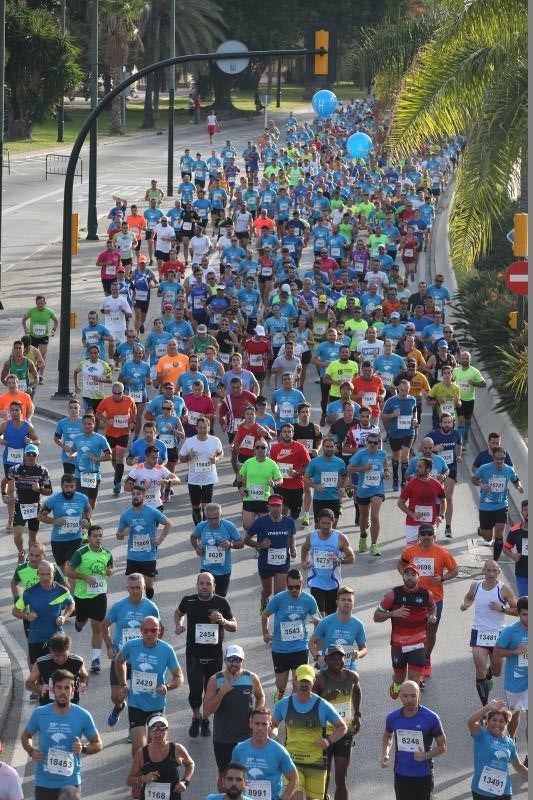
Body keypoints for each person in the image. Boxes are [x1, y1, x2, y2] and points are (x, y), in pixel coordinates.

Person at [21, 668, 102, 800]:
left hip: (70, 783)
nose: (63, 692)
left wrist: (84, 748)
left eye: (67, 688)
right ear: (53, 689)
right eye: (59, 687)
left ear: (73, 690)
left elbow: (98, 744)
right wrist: (31, 751)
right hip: (44, 782)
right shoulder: (40, 713)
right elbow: (25, 736)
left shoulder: (82, 715)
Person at [174, 572, 237, 739]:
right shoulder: (189, 601)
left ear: (214, 586)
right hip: (194, 655)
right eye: (201, 583)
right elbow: (178, 613)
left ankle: (206, 719)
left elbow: (234, 626)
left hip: (214, 656)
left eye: (208, 584)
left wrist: (223, 621)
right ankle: (196, 716)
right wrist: (179, 625)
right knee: (195, 692)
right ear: (197, 585)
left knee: (210, 692)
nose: (204, 586)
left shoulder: (221, 603)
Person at [271, 664, 347, 800]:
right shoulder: (284, 704)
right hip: (292, 762)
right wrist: (274, 736)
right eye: (301, 681)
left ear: (314, 681)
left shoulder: (323, 705)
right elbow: (273, 725)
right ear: (295, 680)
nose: (304, 685)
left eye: (307, 681)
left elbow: (342, 727)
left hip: (316, 764)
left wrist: (328, 741)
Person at [114, 615, 184, 757]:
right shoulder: (132, 645)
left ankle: (152, 774)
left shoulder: (167, 650)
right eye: (146, 630)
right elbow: (119, 661)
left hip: (156, 705)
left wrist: (167, 686)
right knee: (139, 747)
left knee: (154, 747)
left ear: (159, 631)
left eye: (153, 630)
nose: (149, 633)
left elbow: (179, 677)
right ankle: (140, 775)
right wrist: (123, 684)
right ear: (141, 630)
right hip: (136, 703)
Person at [397, 523, 458, 676]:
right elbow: (400, 564)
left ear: (434, 537)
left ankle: (426, 657)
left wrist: (442, 578)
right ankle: (416, 659)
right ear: (418, 536)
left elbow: (455, 570)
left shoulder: (442, 553)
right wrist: (406, 578)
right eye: (422, 534)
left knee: (431, 631)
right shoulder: (410, 551)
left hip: (435, 599)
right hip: (413, 597)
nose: (426, 536)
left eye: (429, 534)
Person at [101, 573, 161, 729]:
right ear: (127, 589)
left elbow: (159, 630)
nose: (135, 591)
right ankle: (119, 707)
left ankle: (135, 728)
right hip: (120, 658)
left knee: (138, 697)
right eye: (132, 588)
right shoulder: (119, 607)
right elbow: (104, 625)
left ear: (144, 587)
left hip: (140, 659)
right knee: (116, 696)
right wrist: (109, 646)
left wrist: (153, 648)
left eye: (139, 588)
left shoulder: (151, 607)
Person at [203, 645, 265, 788]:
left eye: (238, 659)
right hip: (223, 738)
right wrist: (222, 693)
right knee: (224, 778)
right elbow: (206, 712)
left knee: (245, 776)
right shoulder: (215, 680)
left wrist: (256, 713)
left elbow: (261, 697)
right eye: (231, 659)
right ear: (225, 660)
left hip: (246, 737)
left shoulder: (251, 678)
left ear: (243, 661)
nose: (234, 663)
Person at [374, 564, 437, 697]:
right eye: (407, 574)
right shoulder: (392, 595)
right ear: (402, 576)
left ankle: (413, 711)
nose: (410, 577)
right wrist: (392, 614)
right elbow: (376, 617)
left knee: (414, 682)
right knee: (399, 677)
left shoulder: (427, 595)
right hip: (398, 644)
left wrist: (432, 616)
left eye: (413, 575)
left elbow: (433, 607)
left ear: (418, 578)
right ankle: (396, 685)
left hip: (418, 643)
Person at [460, 559, 517, 705]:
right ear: (483, 571)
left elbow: (517, 610)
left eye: (494, 570)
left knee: (497, 671)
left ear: (499, 572)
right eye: (488, 570)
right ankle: (485, 707)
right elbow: (468, 597)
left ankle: (489, 675)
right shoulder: (476, 585)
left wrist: (502, 609)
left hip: (498, 634)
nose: (491, 573)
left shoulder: (503, 589)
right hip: (479, 631)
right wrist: (466, 604)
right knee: (480, 669)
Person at [381, 680, 447, 800]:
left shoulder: (431, 718)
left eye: (413, 695)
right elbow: (387, 735)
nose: (409, 700)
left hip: (423, 774)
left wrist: (426, 755)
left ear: (419, 695)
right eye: (405, 696)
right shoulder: (392, 717)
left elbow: (442, 746)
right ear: (400, 696)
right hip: (401, 773)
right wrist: (385, 753)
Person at [262, 568, 320, 703]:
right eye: (290, 587)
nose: (294, 590)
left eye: (297, 587)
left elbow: (318, 619)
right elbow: (265, 614)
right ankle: (280, 698)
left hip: (299, 647)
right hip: (280, 649)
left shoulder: (309, 600)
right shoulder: (279, 598)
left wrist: (317, 624)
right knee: (281, 685)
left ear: (302, 583)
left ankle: (292, 710)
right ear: (286, 585)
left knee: (297, 684)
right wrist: (265, 632)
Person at [313, 645, 361, 800]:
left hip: (344, 733)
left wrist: (357, 715)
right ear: (326, 660)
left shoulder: (351, 676)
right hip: (325, 734)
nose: (336, 660)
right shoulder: (319, 679)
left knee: (341, 779)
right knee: (324, 777)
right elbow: (311, 705)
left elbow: (357, 691)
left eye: (339, 657)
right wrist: (327, 698)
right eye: (332, 657)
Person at [66, 524, 115, 674]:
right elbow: (68, 571)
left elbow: (112, 567)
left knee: (98, 627)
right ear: (89, 537)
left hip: (100, 595)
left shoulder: (107, 553)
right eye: (95, 536)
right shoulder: (81, 553)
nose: (98, 539)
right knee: (82, 620)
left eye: (100, 536)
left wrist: (110, 571)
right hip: (82, 596)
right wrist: (85, 577)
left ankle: (95, 659)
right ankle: (80, 622)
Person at [116, 485, 172, 600]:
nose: (135, 496)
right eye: (133, 494)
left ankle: (147, 606)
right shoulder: (126, 515)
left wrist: (160, 539)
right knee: (133, 587)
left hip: (148, 556)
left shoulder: (152, 512)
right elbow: (119, 536)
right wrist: (123, 533)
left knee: (148, 587)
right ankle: (136, 607)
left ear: (144, 496)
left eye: (138, 494)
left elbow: (168, 523)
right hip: (133, 556)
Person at [232, 707, 298, 800]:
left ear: (270, 725)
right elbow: (232, 777)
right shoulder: (239, 750)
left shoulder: (279, 751)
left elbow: (294, 779)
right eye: (257, 723)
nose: (260, 728)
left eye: (264, 724)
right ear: (250, 724)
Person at [245, 496, 297, 612]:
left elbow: (292, 535)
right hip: (265, 563)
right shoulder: (260, 522)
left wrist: (293, 548)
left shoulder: (289, 522)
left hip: (282, 563)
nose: (275, 509)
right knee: (268, 592)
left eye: (278, 505)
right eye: (272, 506)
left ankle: (278, 619)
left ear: (282, 507)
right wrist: (260, 545)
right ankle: (264, 599)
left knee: (279, 594)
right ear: (268, 507)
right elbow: (246, 540)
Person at [467, 699, 528, 799]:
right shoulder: (481, 735)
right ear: (488, 722)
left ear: (506, 724)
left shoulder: (509, 742)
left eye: (501, 721)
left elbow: (519, 766)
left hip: (504, 792)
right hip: (481, 791)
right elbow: (471, 722)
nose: (497, 724)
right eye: (494, 720)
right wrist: (487, 708)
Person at [472, 446, 524, 561]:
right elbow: (474, 479)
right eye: (498, 459)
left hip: (501, 505)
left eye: (502, 459)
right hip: (486, 506)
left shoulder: (509, 469)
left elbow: (516, 480)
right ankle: (482, 530)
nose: (500, 461)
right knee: (487, 537)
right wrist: (482, 485)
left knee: (499, 534)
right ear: (493, 458)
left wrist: (519, 487)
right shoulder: (484, 468)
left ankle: (495, 561)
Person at [37, 474, 91, 584]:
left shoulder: (82, 498)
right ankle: (66, 589)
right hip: (58, 540)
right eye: (66, 486)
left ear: (75, 486)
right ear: (62, 486)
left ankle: (73, 597)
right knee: (62, 570)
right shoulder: (54, 499)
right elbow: (40, 516)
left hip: (75, 538)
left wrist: (87, 519)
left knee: (71, 569)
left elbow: (88, 508)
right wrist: (54, 521)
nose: (69, 489)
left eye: (72, 486)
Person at [301, 508, 355, 617]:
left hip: (332, 581)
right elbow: (305, 548)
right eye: (323, 523)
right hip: (316, 580)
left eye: (328, 523)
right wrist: (304, 561)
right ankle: (321, 632)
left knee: (330, 615)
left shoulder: (340, 538)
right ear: (318, 521)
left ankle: (327, 632)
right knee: (320, 614)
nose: (325, 526)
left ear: (333, 521)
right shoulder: (312, 536)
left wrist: (339, 560)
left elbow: (352, 558)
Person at [127, 713, 195, 799]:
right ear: (149, 732)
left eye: (162, 728)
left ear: (168, 731)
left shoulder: (177, 749)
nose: (158, 733)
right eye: (154, 728)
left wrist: (185, 781)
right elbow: (129, 781)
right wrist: (143, 778)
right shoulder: (142, 753)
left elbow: (190, 764)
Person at [494, 595, 528, 752]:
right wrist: (515, 651)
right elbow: (497, 652)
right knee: (514, 716)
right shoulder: (511, 631)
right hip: (515, 682)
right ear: (519, 613)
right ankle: (511, 740)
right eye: (525, 614)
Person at [347, 433, 390, 556]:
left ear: (379, 444)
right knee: (363, 517)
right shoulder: (361, 454)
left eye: (375, 443)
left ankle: (374, 545)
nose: (372, 445)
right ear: (367, 442)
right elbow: (349, 468)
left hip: (378, 490)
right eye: (370, 442)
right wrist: (363, 468)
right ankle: (362, 536)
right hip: (363, 490)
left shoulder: (382, 454)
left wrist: (386, 472)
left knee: (374, 516)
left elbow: (385, 463)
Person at [309, 586, 368, 673]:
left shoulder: (358, 624)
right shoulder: (326, 622)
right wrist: (317, 657)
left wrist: (359, 653)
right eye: (343, 600)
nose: (346, 602)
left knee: (356, 683)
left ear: (353, 603)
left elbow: (364, 648)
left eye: (349, 600)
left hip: (348, 665)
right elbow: (311, 642)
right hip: (327, 665)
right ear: (337, 602)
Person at [9, 442, 52, 562]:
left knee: (32, 536)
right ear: (24, 455)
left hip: (34, 506)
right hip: (19, 506)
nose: (31, 457)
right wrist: (5, 494)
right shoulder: (15, 469)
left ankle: (31, 559)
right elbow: (5, 482)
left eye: (34, 455)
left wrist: (39, 489)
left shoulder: (43, 471)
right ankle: (21, 552)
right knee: (17, 534)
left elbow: (49, 491)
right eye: (29, 454)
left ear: (37, 457)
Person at [190, 502, 243, 597]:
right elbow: (193, 537)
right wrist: (197, 547)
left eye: (216, 518)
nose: (213, 521)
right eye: (210, 519)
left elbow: (241, 543)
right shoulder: (202, 526)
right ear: (206, 517)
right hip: (206, 569)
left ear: (220, 515)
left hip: (224, 569)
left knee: (220, 598)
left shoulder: (228, 526)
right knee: (205, 597)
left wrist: (230, 544)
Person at [180, 417, 224, 523]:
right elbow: (181, 458)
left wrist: (216, 459)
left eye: (205, 428)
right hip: (194, 478)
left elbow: (220, 453)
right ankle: (198, 529)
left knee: (206, 506)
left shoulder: (215, 441)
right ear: (196, 428)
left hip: (209, 477)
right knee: (196, 506)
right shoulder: (190, 442)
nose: (202, 430)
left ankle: (204, 530)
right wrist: (188, 457)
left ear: (209, 428)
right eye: (200, 427)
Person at [25, 632, 88, 707]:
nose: (60, 659)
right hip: (47, 706)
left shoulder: (77, 661)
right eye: (57, 655)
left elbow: (84, 675)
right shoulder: (41, 663)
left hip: (71, 707)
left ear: (68, 650)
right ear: (50, 651)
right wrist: (39, 688)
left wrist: (83, 684)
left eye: (64, 655)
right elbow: (28, 684)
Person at [96, 381, 136, 495]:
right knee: (113, 458)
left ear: (123, 392)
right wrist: (107, 421)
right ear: (112, 392)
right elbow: (98, 413)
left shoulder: (129, 400)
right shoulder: (106, 401)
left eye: (120, 393)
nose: (117, 395)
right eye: (115, 393)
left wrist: (133, 422)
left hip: (123, 433)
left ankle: (117, 483)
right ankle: (118, 473)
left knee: (119, 458)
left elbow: (134, 411)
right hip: (110, 433)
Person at [397, 457, 446, 545]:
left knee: (429, 551)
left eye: (420, 467)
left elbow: (443, 501)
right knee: (412, 551)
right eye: (417, 466)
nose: (416, 469)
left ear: (428, 469)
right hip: (413, 523)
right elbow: (400, 503)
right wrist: (412, 514)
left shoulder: (436, 484)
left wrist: (441, 516)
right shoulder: (410, 484)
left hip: (430, 523)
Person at [238, 438, 282, 531]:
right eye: (258, 447)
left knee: (265, 528)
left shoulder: (272, 463)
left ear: (267, 449)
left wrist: (275, 483)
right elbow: (240, 475)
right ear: (254, 449)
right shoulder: (248, 462)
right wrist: (240, 487)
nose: (260, 449)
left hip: (265, 499)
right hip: (249, 498)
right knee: (247, 526)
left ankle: (261, 543)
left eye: (263, 447)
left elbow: (280, 479)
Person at [381, 379, 418, 491]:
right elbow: (382, 416)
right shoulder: (391, 401)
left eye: (406, 390)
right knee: (396, 456)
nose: (404, 392)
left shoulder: (412, 400)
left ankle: (404, 481)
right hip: (395, 433)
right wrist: (393, 414)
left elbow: (415, 410)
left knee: (405, 455)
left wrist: (415, 418)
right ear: (398, 389)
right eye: (402, 390)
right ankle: (396, 478)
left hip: (408, 432)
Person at [270, 423, 311, 521]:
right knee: (282, 510)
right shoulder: (275, 448)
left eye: (289, 431)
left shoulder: (300, 448)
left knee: (295, 515)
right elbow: (271, 465)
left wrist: (297, 472)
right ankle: (283, 530)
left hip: (296, 486)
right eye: (284, 432)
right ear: (281, 434)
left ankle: (289, 526)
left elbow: (309, 465)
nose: (287, 434)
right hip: (281, 485)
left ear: (293, 433)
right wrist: (272, 478)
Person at [304, 437, 347, 526]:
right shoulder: (315, 462)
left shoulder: (340, 462)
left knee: (334, 525)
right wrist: (315, 486)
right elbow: (305, 478)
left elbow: (345, 476)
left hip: (334, 498)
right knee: (318, 526)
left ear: (334, 447)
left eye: (331, 447)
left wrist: (343, 487)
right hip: (319, 499)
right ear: (323, 447)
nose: (329, 449)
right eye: (327, 446)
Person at [503, 498, 528, 596]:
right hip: (522, 574)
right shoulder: (515, 531)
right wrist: (512, 556)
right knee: (526, 603)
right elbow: (506, 548)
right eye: (525, 510)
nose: (528, 512)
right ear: (522, 512)